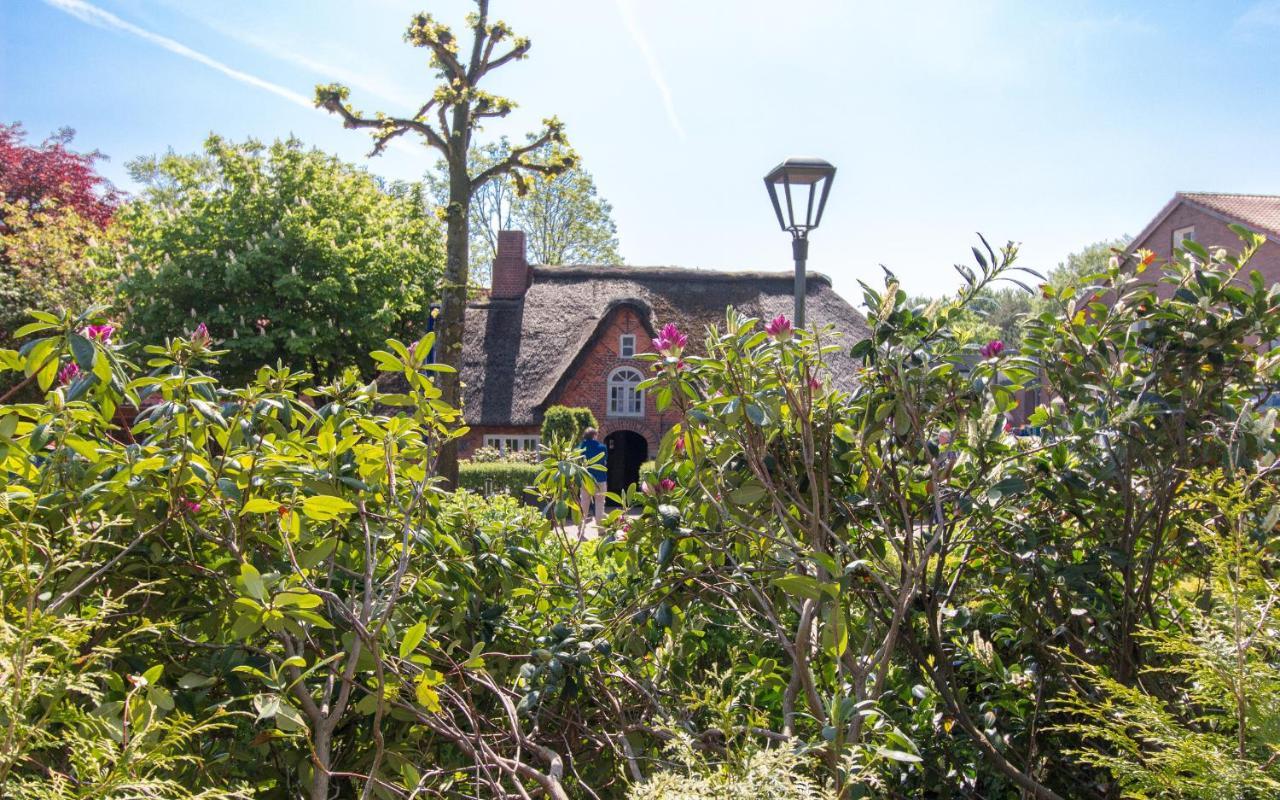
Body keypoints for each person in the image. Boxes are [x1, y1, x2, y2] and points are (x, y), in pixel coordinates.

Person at [578, 427, 608, 523]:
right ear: (595, 435)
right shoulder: (602, 447)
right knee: (600, 504)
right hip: (600, 479)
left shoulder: (580, 447)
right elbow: (605, 462)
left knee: (584, 504)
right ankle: (600, 530)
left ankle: (580, 530)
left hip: (585, 479)